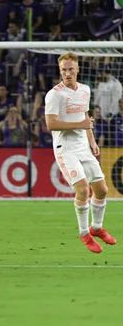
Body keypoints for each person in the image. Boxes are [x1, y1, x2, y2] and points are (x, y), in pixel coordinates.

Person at [45, 52, 115, 253]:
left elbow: (84, 115)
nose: (67, 73)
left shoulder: (85, 90)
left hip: (83, 146)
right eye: (63, 70)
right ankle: (84, 233)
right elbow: (50, 124)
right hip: (65, 149)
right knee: (83, 190)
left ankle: (96, 228)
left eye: (70, 69)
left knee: (101, 190)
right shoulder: (54, 94)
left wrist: (91, 141)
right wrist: (80, 124)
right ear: (60, 71)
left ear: (77, 69)